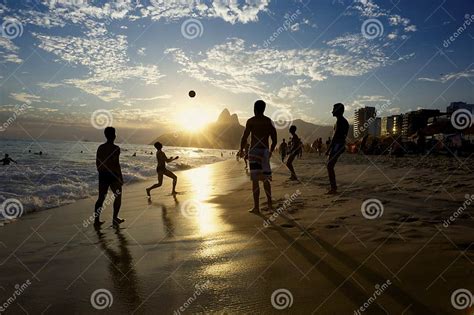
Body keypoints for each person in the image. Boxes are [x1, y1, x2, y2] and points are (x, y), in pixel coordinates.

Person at [239, 100, 277, 213]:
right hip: (264, 151)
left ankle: (256, 207)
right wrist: (270, 151)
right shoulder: (268, 121)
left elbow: (244, 137)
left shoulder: (251, 121)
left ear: (255, 108)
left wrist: (241, 149)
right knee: (265, 179)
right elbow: (275, 139)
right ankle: (270, 204)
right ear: (264, 109)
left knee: (255, 180)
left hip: (255, 151)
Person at [94, 127, 125, 227]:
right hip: (113, 175)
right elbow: (116, 164)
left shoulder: (100, 147)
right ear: (114, 136)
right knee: (118, 196)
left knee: (101, 198)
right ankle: (115, 218)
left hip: (103, 174)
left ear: (105, 135)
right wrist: (120, 177)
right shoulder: (116, 148)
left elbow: (97, 163)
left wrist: (101, 172)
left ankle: (96, 221)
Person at [326, 103, 349, 194]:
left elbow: (335, 137)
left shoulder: (340, 121)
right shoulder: (341, 121)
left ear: (338, 111)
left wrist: (329, 149)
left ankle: (333, 188)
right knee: (329, 165)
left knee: (329, 165)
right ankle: (333, 187)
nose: (332, 111)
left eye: (334, 109)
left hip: (337, 145)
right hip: (339, 145)